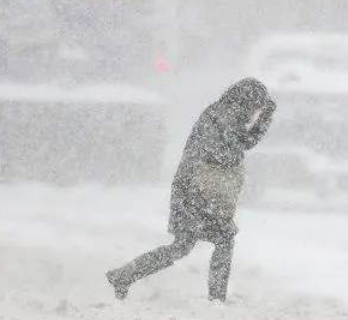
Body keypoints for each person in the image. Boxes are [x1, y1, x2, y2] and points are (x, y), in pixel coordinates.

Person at [106, 78, 276, 302]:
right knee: (211, 240)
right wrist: (263, 120)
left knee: (189, 245)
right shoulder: (222, 117)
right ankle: (216, 299)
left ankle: (124, 275)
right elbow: (237, 147)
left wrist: (264, 119)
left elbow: (243, 143)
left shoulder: (222, 114)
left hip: (197, 190)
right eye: (256, 107)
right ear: (247, 102)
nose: (255, 112)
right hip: (195, 192)